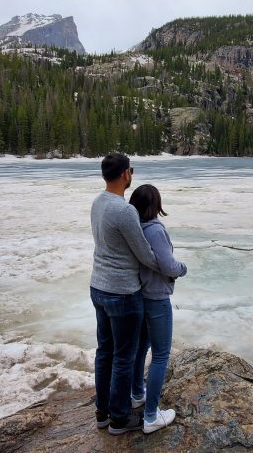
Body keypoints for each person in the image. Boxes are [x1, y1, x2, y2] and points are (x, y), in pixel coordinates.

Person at [89, 153, 161, 435]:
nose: (132, 174)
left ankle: (102, 411)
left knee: (104, 352)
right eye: (131, 170)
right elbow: (144, 254)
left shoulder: (98, 202)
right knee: (123, 357)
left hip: (98, 286)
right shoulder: (124, 211)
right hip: (122, 293)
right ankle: (119, 418)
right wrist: (167, 269)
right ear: (125, 175)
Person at [129, 184, 187, 434]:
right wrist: (182, 268)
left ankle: (136, 394)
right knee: (161, 355)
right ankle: (151, 415)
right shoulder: (154, 231)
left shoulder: (134, 230)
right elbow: (167, 264)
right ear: (156, 205)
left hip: (139, 294)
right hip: (156, 298)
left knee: (141, 347)